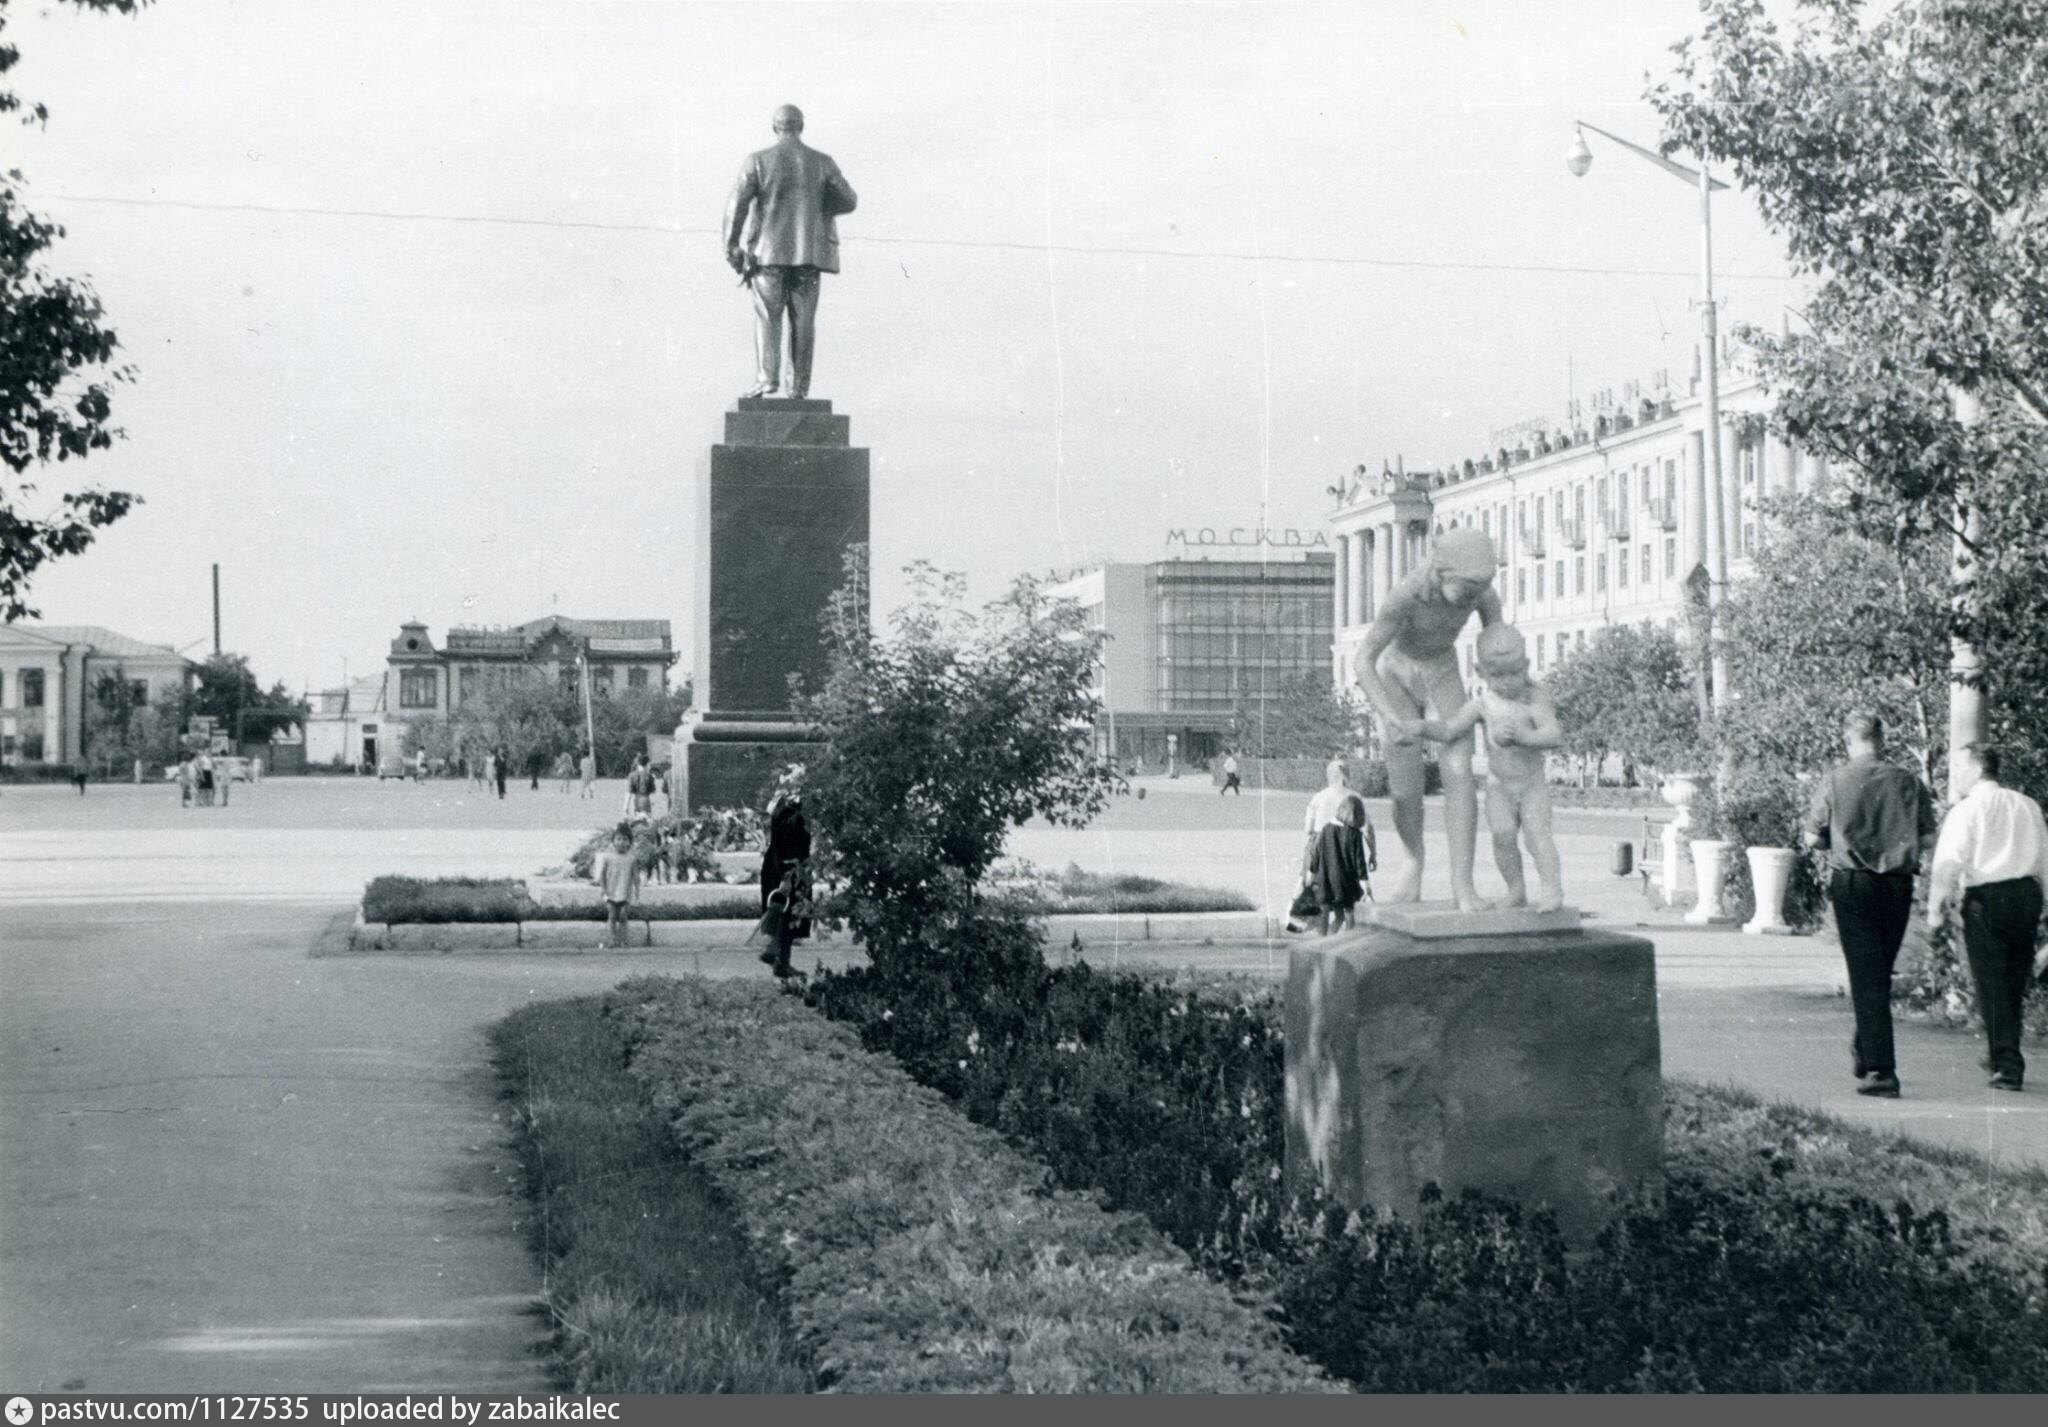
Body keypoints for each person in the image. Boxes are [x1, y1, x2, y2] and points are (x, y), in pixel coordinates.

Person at [1351, 528, 1504, 910]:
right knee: (1405, 790)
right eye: (1466, 591)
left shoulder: (1482, 593)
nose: (1472, 600)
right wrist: (1387, 715)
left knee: (1460, 773)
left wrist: (1505, 696)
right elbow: (1363, 659)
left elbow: (1496, 645)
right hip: (1396, 676)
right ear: (1442, 574)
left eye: (1478, 591)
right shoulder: (1405, 595)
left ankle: (1463, 886)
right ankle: (1413, 860)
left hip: (1442, 671)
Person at [1802, 710, 1938, 1099]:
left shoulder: (1834, 780)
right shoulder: (1908, 781)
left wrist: (1839, 840)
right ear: (1882, 739)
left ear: (1849, 741)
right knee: (1878, 971)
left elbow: (1813, 839)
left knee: (1866, 975)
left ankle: (1881, 1070)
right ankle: (1867, 1049)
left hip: (1854, 884)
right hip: (1897, 885)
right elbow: (1928, 840)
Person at [1927, 743, 2048, 1092]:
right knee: (2013, 979)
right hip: (2026, 895)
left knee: (1991, 982)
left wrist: (1936, 914)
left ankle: (2007, 1064)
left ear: (1978, 769)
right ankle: (2002, 1052)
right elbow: (2044, 860)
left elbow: (1947, 866)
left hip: (1987, 899)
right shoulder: (2027, 806)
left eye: (1960, 766)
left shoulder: (1966, 811)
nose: (1956, 774)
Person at [1419, 624, 1565, 910]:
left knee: (1538, 837)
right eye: (1497, 675)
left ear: (1526, 666)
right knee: (1502, 835)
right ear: (1481, 671)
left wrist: (1525, 737)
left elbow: (1553, 734)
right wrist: (1420, 728)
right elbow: (1450, 729)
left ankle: (1552, 890)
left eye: (1514, 673)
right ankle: (1516, 889)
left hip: (1531, 784)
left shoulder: (1534, 698)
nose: (1507, 682)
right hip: (1498, 785)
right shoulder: (1483, 704)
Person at [722, 104, 858, 400]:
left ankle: (767, 380)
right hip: (809, 255)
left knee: (768, 317)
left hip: (767, 254)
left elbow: (737, 206)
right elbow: (848, 200)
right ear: (801, 126)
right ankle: (798, 387)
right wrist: (817, 209)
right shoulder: (822, 162)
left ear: (775, 127)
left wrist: (731, 247)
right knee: (804, 322)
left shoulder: (758, 161)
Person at [758, 776, 812, 979]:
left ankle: (775, 953)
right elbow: (789, 848)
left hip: (779, 868)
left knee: (783, 914)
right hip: (788, 870)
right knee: (788, 915)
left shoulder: (781, 809)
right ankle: (780, 961)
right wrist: (787, 877)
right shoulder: (791, 814)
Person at [1309, 794, 1372, 934]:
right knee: (1348, 915)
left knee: (1328, 916)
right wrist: (1367, 888)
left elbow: (1315, 856)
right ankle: (1344, 942)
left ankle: (1323, 944)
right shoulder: (1355, 835)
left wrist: (1310, 878)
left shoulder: (1325, 829)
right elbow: (1360, 864)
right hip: (1346, 885)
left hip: (1324, 883)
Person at [592, 823, 641, 950]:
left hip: (625, 892)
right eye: (618, 839)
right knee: (612, 916)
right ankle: (613, 940)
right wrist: (603, 888)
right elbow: (602, 875)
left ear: (629, 842)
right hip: (611, 892)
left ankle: (624, 940)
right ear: (613, 841)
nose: (621, 842)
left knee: (623, 915)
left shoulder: (631, 859)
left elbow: (635, 876)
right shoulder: (608, 857)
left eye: (625, 839)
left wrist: (637, 891)